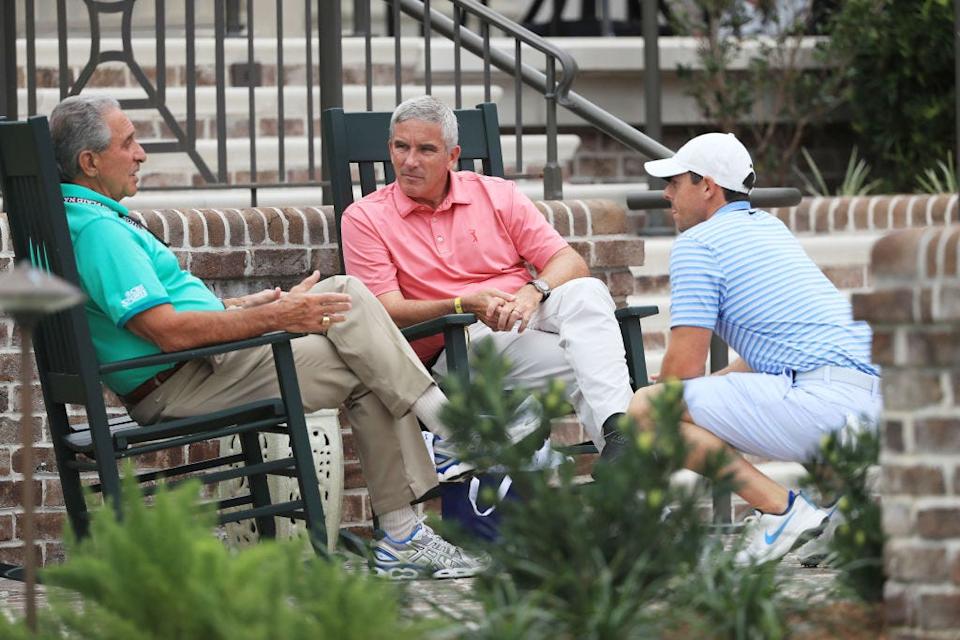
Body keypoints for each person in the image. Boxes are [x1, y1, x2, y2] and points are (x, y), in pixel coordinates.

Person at [48, 94, 491, 580]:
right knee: (355, 322)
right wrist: (278, 317)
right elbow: (168, 332)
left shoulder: (76, 217)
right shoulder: (98, 232)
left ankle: (413, 513)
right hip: (186, 379)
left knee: (354, 324)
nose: (141, 153)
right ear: (89, 161)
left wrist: (250, 306)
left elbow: (167, 317)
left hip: (201, 368)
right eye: (128, 142)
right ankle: (439, 459)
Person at [631, 132, 881, 565]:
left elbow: (680, 373)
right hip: (878, 405)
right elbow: (776, 348)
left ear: (707, 186)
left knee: (648, 409)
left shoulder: (698, 244)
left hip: (825, 405)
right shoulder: (768, 227)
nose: (666, 193)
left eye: (675, 181)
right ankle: (851, 517)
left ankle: (783, 510)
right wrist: (710, 389)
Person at [340, 95, 636, 457]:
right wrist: (464, 304)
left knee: (588, 294)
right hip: (458, 340)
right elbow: (385, 309)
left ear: (452, 155)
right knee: (598, 365)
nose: (410, 161)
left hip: (522, 314)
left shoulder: (495, 194)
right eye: (401, 147)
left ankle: (622, 448)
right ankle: (633, 478)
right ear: (390, 148)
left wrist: (532, 292)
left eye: (426, 150)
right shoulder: (364, 218)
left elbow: (569, 262)